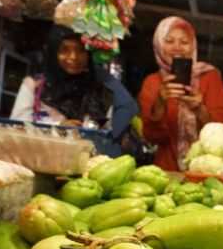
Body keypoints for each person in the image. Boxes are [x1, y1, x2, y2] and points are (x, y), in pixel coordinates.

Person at [10, 25, 138, 156]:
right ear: (53, 53)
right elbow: (15, 128)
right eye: (64, 50)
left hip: (84, 168)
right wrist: (58, 127)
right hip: (40, 161)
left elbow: (108, 132)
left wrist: (91, 129)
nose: (73, 57)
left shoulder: (101, 89)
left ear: (88, 54)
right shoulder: (34, 86)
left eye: (81, 50)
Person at [137, 16, 223, 171]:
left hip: (205, 170)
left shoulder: (210, 77)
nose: (177, 47)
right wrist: (160, 103)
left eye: (184, 42)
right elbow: (151, 137)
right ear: (159, 44)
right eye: (169, 41)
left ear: (192, 46)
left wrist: (200, 109)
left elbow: (220, 134)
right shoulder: (152, 83)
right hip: (166, 171)